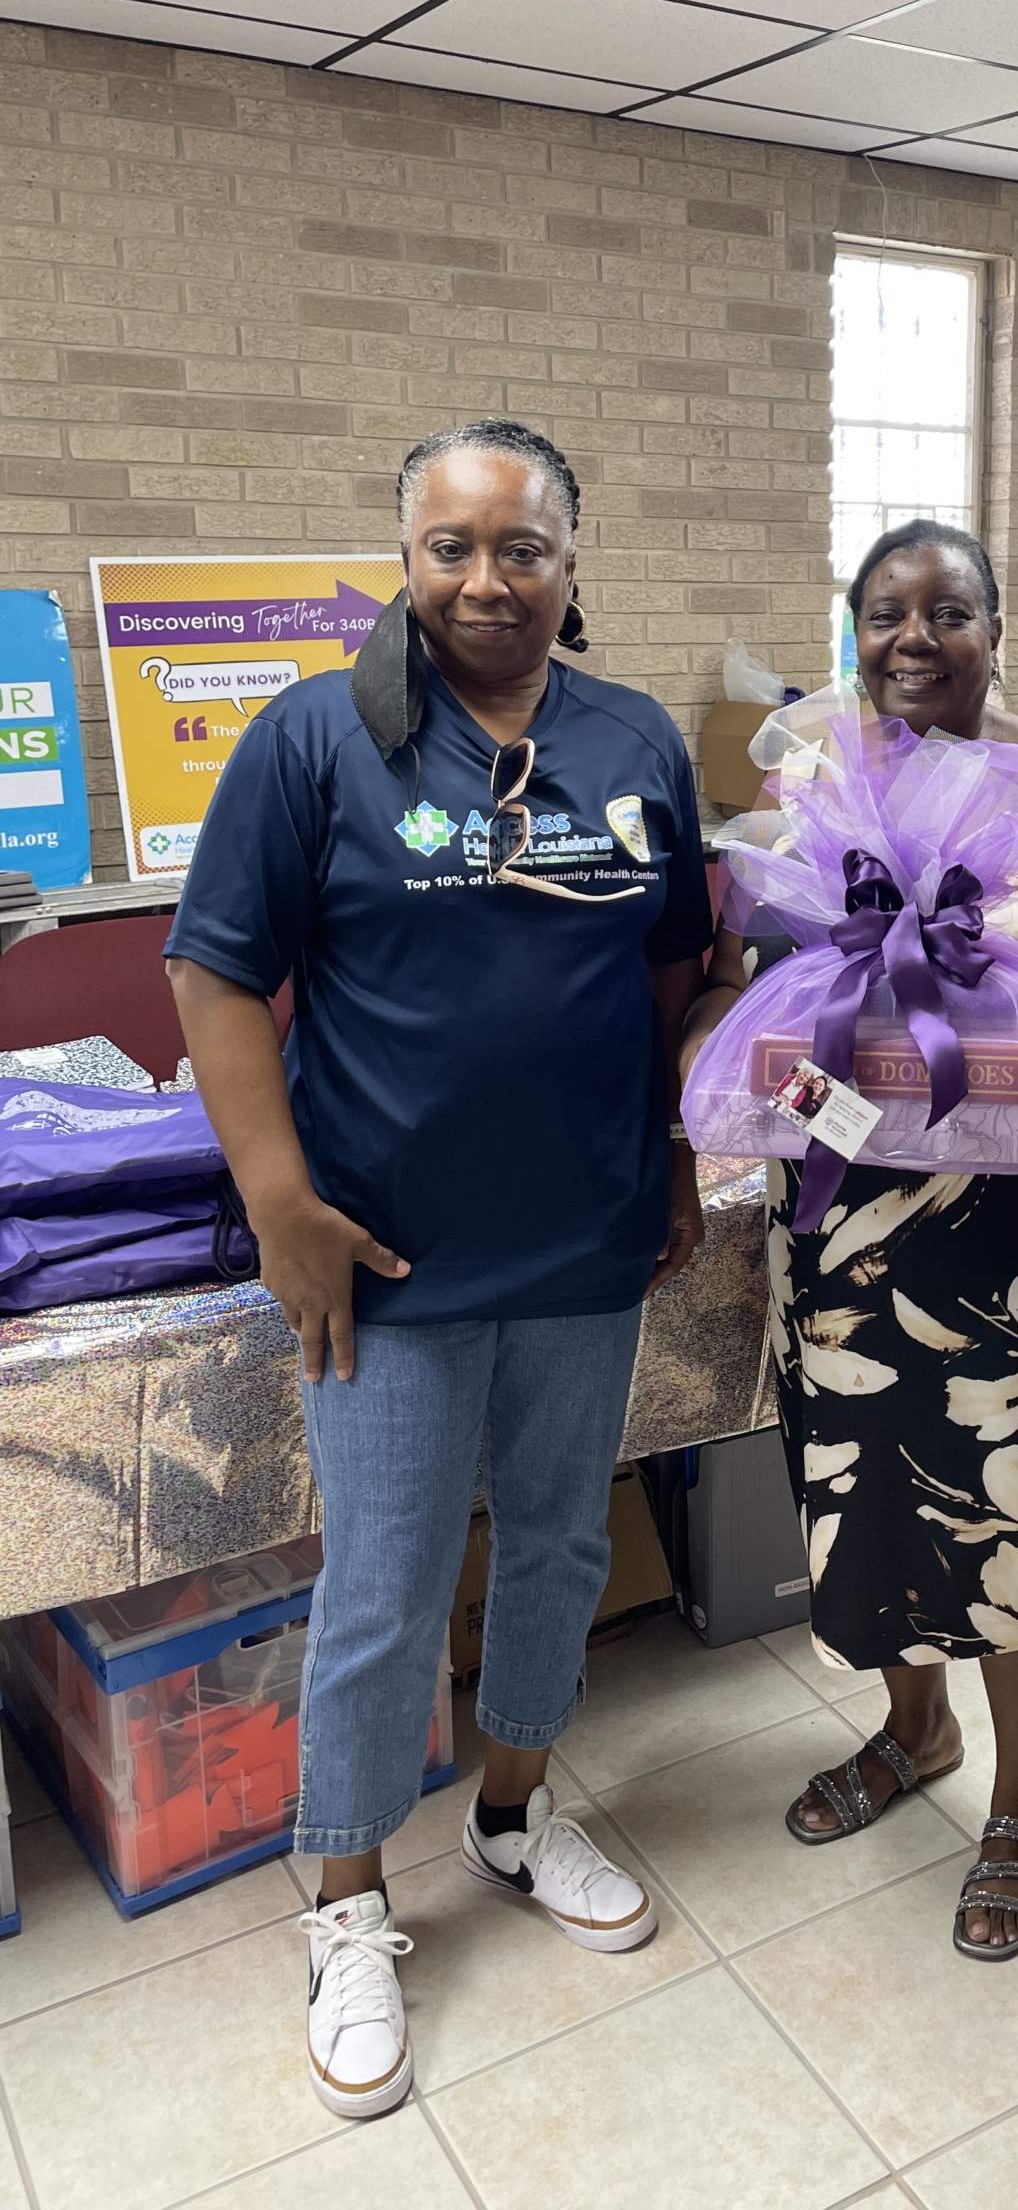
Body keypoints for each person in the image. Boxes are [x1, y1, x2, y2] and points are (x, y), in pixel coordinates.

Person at [166, 419, 711, 2118]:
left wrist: (677, 1152)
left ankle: (514, 1819)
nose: (488, 579)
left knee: (556, 1545)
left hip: (583, 1239)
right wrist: (279, 1203)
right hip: (384, 1260)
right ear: (405, 560)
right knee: (388, 1583)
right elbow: (213, 972)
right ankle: (345, 1900)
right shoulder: (315, 738)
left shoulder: (635, 738)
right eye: (452, 547)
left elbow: (676, 965)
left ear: (571, 560)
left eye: (522, 547)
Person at [682, 518, 1018, 1959]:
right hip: (844, 1229)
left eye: (949, 612)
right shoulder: (807, 786)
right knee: (866, 1496)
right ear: (854, 633)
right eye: (888, 613)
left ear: (993, 633)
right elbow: (743, 991)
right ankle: (916, 1731)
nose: (917, 638)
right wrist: (747, 1068)